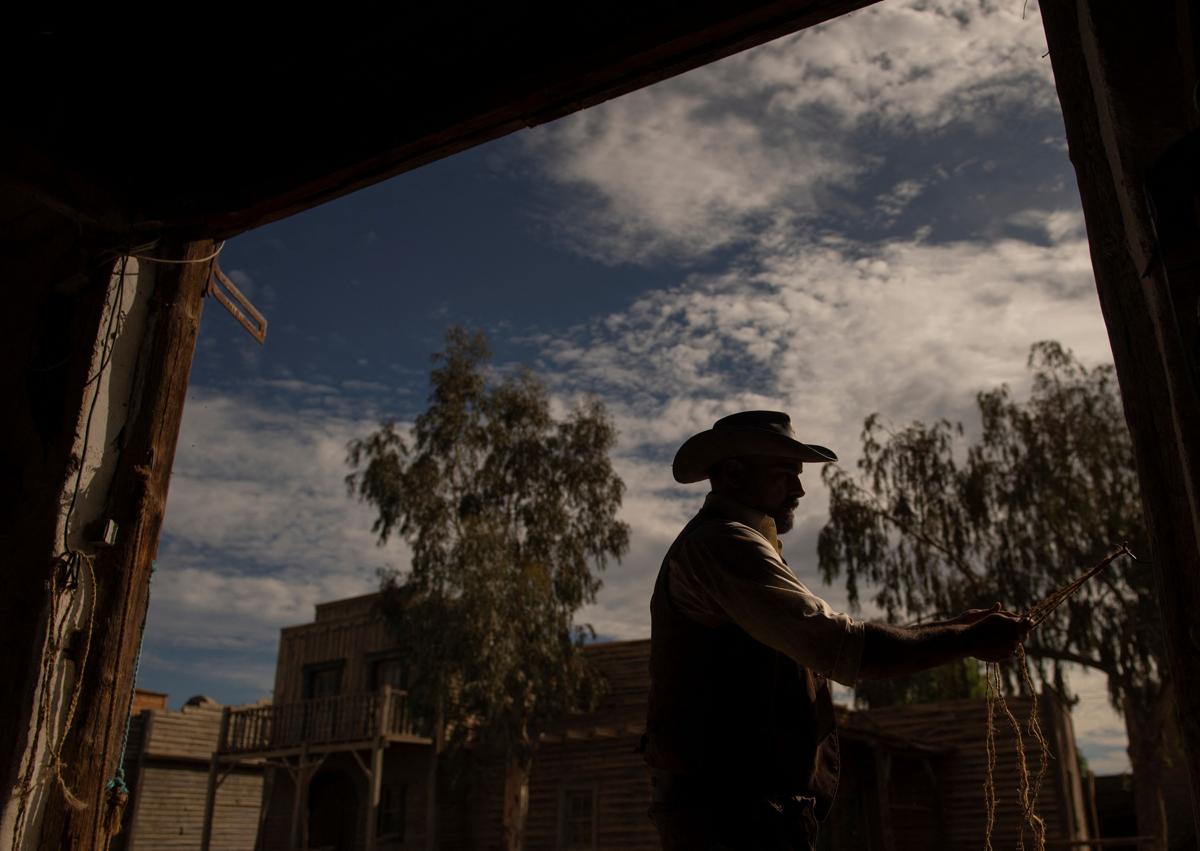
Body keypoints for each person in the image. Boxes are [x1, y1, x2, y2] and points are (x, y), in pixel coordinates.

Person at [643, 410, 1030, 851]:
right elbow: (844, 646)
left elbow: (835, 640)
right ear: (732, 473)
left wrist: (960, 626)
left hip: (743, 810)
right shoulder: (725, 544)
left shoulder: (737, 543)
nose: (800, 488)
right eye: (785, 472)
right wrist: (966, 639)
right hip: (729, 815)